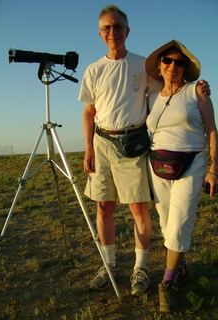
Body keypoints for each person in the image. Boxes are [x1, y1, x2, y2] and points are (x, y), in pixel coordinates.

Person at [78, 5, 210, 296]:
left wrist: (198, 88)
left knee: (138, 207)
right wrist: (88, 148)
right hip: (102, 142)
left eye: (118, 26)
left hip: (133, 142)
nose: (113, 32)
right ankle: (109, 264)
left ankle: (140, 269)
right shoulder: (94, 69)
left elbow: (171, 83)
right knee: (104, 206)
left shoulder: (143, 65)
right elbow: (89, 112)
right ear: (100, 34)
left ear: (128, 31)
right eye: (106, 28)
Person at [145, 40, 218, 312]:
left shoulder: (196, 92)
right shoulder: (152, 96)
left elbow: (212, 130)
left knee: (178, 223)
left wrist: (213, 169)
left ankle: (168, 282)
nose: (173, 66)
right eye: (168, 61)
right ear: (160, 65)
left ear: (185, 68)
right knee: (166, 222)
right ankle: (181, 265)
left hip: (192, 161)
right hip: (158, 164)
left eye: (179, 62)